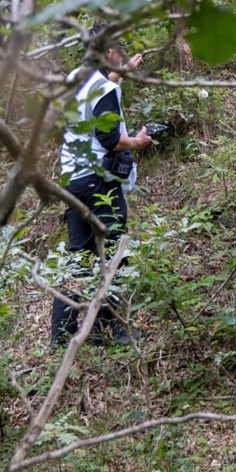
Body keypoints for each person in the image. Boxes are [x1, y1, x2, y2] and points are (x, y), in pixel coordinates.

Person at [49, 25, 151, 349]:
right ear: (108, 52)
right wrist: (137, 141)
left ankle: (61, 333)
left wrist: (122, 72)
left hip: (73, 179)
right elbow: (110, 139)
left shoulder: (75, 79)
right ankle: (110, 328)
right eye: (118, 50)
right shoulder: (104, 89)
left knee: (79, 257)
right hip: (99, 182)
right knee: (114, 254)